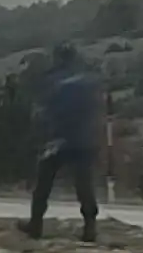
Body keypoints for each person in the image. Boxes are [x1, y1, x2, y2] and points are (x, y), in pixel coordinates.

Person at [20, 42, 103, 242]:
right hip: (85, 139)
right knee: (84, 185)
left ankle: (35, 224)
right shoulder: (88, 78)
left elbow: (46, 110)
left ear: (58, 58)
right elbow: (97, 107)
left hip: (61, 140)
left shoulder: (54, 79)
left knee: (43, 182)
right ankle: (90, 227)